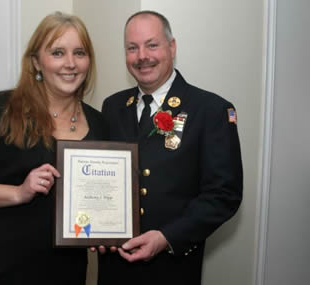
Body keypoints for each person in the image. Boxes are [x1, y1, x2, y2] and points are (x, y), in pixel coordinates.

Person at [0, 12, 107, 285]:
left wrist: (103, 231)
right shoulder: (1, 109)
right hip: (8, 267)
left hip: (70, 271)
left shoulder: (100, 124)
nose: (70, 64)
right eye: (57, 53)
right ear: (36, 62)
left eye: (79, 53)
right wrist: (19, 192)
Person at [98, 10, 243, 285]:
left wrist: (166, 237)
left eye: (152, 44)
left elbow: (224, 194)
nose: (142, 56)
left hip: (172, 269)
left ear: (172, 47)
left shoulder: (210, 110)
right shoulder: (112, 106)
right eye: (132, 48)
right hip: (114, 267)